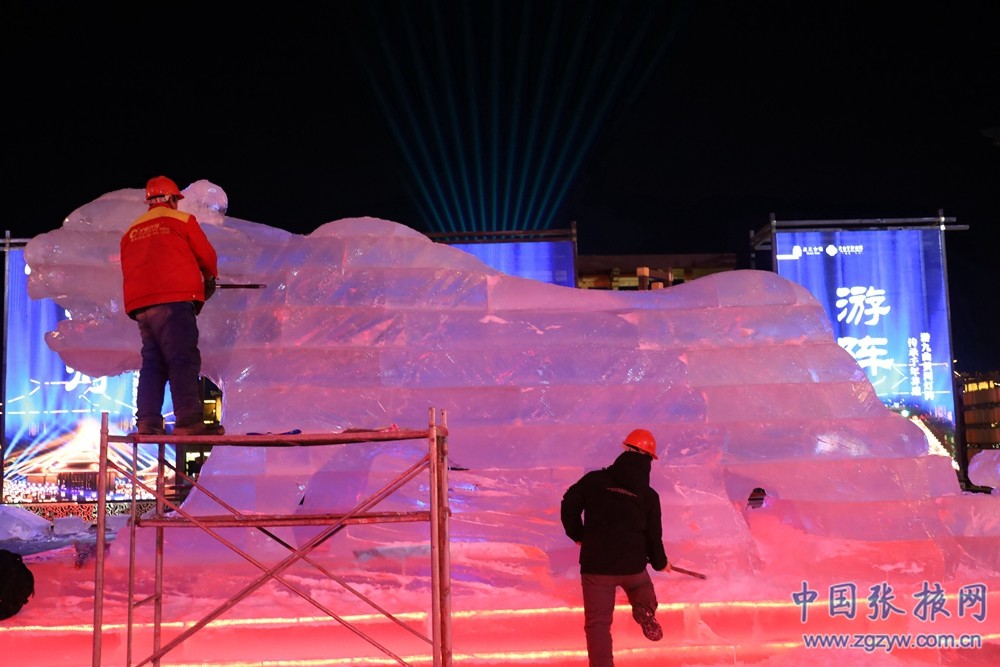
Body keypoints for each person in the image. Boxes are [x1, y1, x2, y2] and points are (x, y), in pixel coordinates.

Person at [120, 175, 224, 436]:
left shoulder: (131, 231)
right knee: (182, 358)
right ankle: (189, 420)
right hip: (174, 301)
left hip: (142, 305)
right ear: (170, 198)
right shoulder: (181, 221)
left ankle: (148, 422)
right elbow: (207, 254)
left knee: (153, 362)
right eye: (177, 199)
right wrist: (209, 278)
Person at [560, 428, 669, 666]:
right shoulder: (649, 496)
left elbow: (568, 504)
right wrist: (660, 563)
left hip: (596, 567)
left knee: (598, 624)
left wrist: (579, 535)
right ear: (649, 459)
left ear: (626, 450)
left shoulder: (593, 481)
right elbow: (654, 536)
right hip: (632, 565)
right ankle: (644, 608)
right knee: (641, 585)